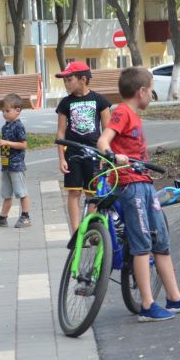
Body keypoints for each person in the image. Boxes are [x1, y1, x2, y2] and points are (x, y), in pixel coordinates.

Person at [97, 67, 180, 322]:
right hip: (129, 185)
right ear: (142, 91)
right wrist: (113, 155)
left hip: (144, 183)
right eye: (152, 90)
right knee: (141, 244)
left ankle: (175, 298)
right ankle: (147, 304)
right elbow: (104, 140)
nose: (152, 96)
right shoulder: (122, 112)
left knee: (161, 242)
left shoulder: (134, 115)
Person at [55, 61, 112, 233]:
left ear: (83, 79)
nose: (66, 83)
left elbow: (108, 131)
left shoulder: (100, 100)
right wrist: (61, 158)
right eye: (65, 80)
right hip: (73, 154)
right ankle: (76, 231)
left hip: (95, 154)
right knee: (73, 193)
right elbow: (60, 133)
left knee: (92, 194)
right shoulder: (65, 103)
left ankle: (90, 230)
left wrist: (106, 157)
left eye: (69, 79)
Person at [0, 93, 32, 229]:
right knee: (6, 194)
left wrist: (6, 142)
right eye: (3, 111)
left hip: (16, 166)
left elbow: (23, 145)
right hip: (6, 165)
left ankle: (25, 216)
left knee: (21, 192)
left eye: (7, 111)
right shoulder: (5, 127)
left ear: (17, 110)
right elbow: (5, 144)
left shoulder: (19, 126)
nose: (4, 114)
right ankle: (2, 218)